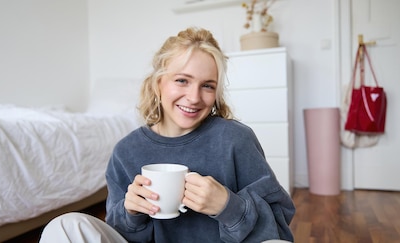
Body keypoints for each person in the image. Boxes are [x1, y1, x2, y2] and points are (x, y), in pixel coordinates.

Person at [40, 26, 295, 243]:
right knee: (63, 227)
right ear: (158, 83)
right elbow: (119, 234)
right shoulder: (126, 151)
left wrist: (228, 206)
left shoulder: (235, 139)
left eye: (207, 86)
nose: (194, 98)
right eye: (182, 80)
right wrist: (131, 212)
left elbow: (280, 225)